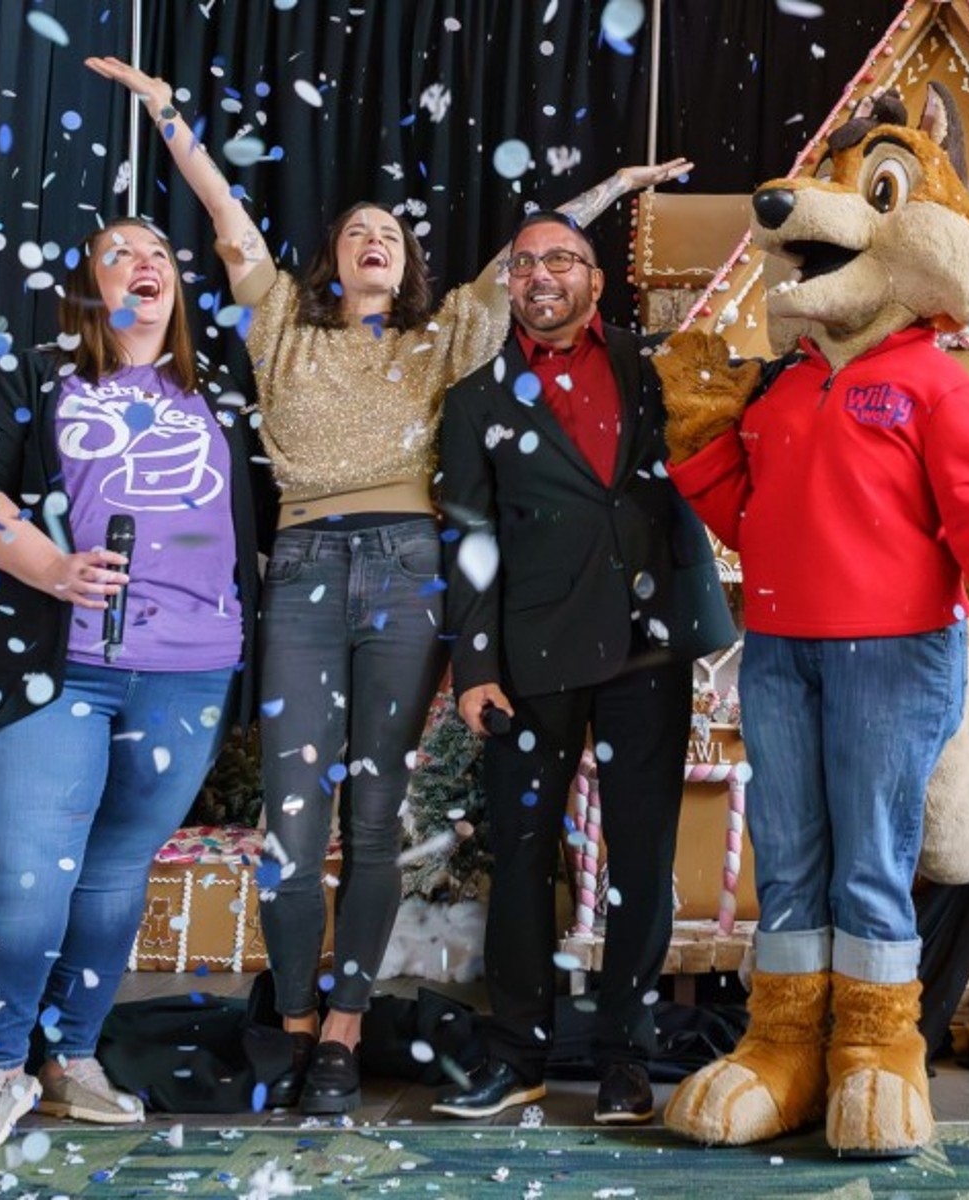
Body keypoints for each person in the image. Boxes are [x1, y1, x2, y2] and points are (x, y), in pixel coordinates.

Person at [87, 54, 690, 1116]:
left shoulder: (446, 335)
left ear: (408, 263)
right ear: (332, 254)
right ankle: (289, 1028)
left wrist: (611, 194)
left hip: (409, 575)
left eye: (394, 233)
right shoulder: (278, 317)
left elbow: (532, 257)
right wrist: (168, 116)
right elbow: (227, 217)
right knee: (290, 819)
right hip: (309, 572)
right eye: (359, 228)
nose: (377, 238)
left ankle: (345, 1030)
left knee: (372, 817)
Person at [431, 211, 736, 1124]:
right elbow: (470, 541)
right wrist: (474, 662)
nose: (539, 275)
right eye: (524, 263)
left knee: (640, 858)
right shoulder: (476, 402)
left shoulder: (657, 367)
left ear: (596, 281)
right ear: (511, 285)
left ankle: (626, 1060)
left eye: (559, 258)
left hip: (648, 641)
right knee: (522, 857)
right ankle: (518, 1053)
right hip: (531, 657)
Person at [0, 216, 261, 1148]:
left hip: (192, 671)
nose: (145, 266)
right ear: (86, 285)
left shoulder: (218, 395)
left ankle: (72, 1062)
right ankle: (0, 1067)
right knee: (32, 876)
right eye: (121, 253)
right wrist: (47, 568)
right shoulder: (38, 378)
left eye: (159, 256)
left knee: (112, 876)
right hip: (63, 665)